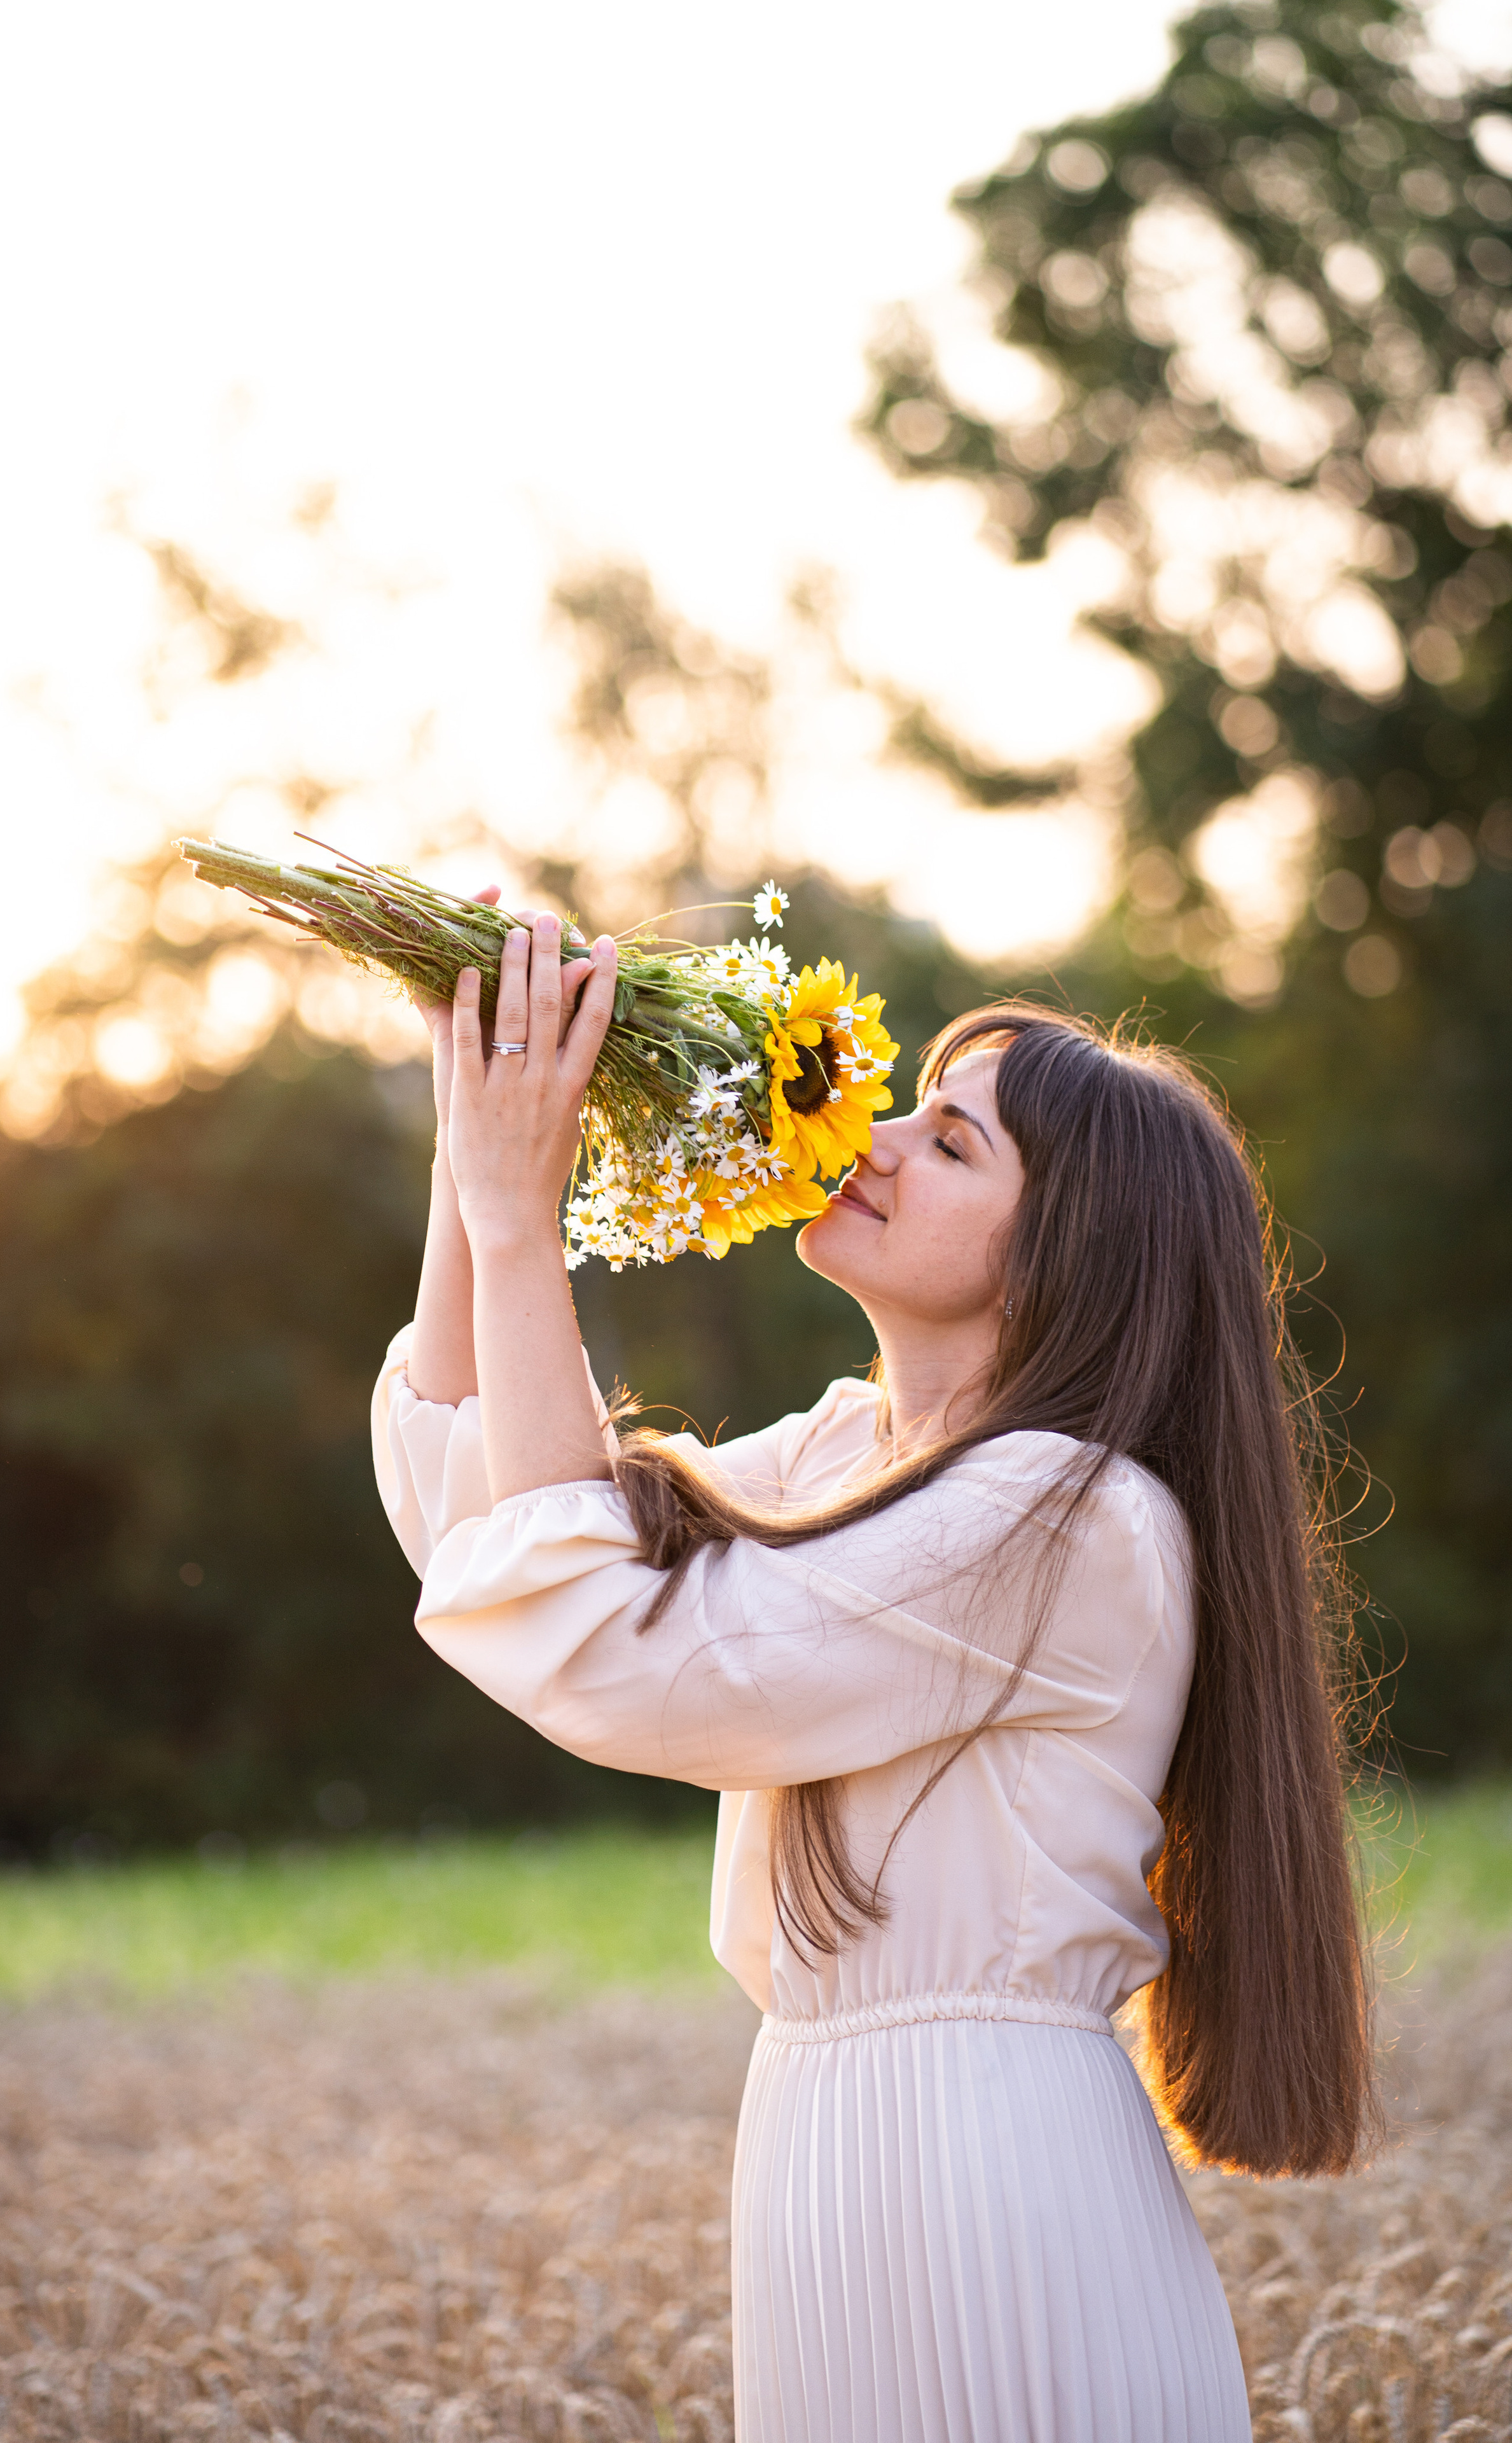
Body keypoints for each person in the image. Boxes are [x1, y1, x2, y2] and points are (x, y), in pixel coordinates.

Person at [371, 901, 1375, 2443]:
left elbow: (616, 1656)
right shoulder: (853, 1452)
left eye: (953, 1145)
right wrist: (473, 1152)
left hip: (997, 2184)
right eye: (914, 1105)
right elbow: (486, 1511)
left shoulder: (1067, 1517)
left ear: (1067, 1259)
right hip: (822, 2159)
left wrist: (525, 1224)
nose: (880, 1138)